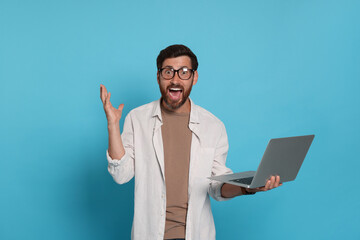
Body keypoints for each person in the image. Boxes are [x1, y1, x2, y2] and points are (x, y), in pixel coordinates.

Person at [100, 44, 281, 240]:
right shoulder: (137, 118)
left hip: (196, 234)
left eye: (184, 72)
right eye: (168, 72)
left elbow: (216, 186)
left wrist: (248, 187)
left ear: (194, 78)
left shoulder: (213, 125)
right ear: (158, 77)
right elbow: (121, 174)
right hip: (150, 233)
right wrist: (112, 125)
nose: (175, 79)